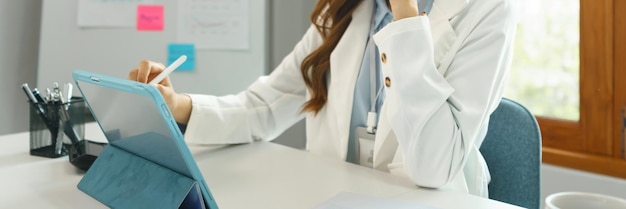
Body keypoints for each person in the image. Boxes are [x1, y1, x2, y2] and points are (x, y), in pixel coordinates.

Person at [129, 0, 516, 198]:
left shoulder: (488, 10)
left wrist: (406, 17)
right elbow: (264, 104)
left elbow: (433, 167)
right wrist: (178, 106)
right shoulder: (347, 8)